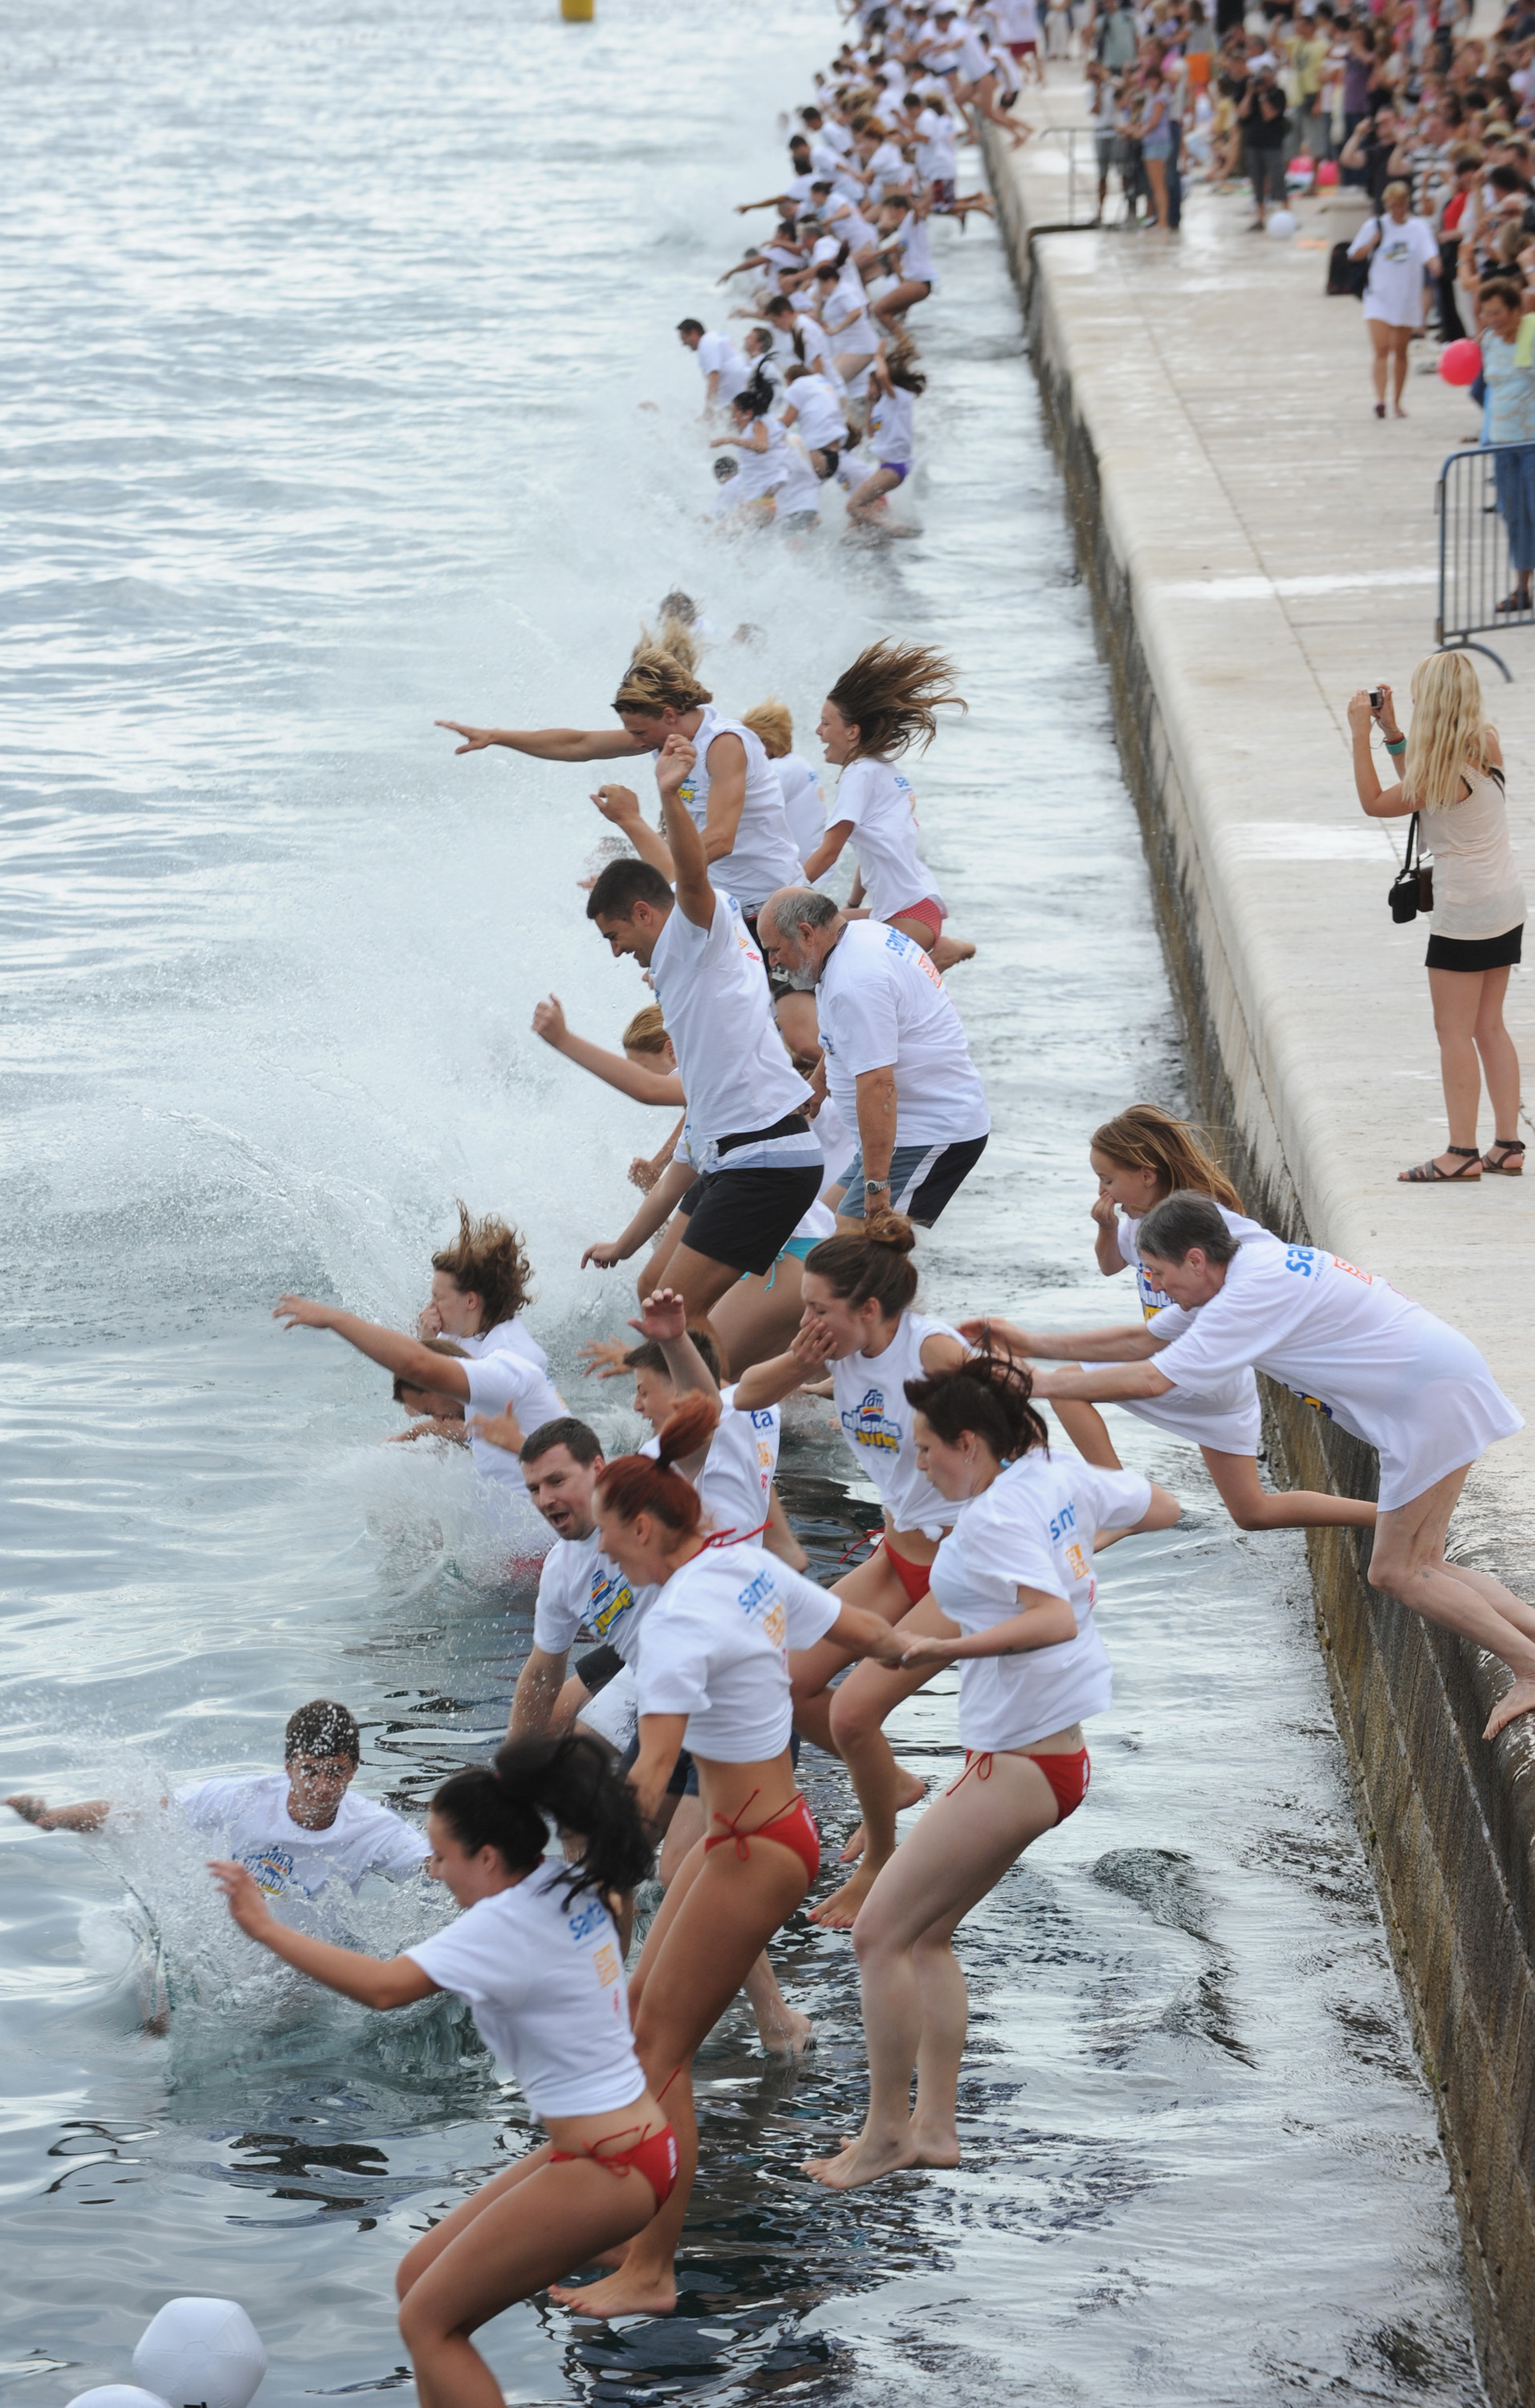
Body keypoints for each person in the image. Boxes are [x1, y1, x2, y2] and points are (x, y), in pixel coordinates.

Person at [549, 1395, 908, 2316]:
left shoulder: (671, 1624)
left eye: (608, 1540)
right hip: (754, 1832)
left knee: (658, 2052)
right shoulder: (740, 1563)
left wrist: (586, 1879)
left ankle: (652, 2269)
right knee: (638, 2019)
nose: (604, 1558)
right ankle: (637, 2225)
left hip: (753, 1848)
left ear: (642, 1525)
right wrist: (931, 1646)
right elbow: (861, 1631)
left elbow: (656, 1767)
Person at [803, 1354, 1180, 2190]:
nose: (921, 1463)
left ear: (969, 1443)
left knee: (877, 1935)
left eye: (928, 1447)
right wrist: (1076, 1549)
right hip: (1045, 1759)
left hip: (1019, 1766)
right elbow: (1162, 1503)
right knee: (924, 1936)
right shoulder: (1051, 1480)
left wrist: (945, 1645)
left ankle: (883, 2134)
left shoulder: (995, 1519)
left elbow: (1046, 1620)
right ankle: (932, 2128)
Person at [967, 1191, 1535, 1743]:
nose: (1156, 1287)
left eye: (1159, 1273)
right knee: (1424, 1561)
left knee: (1397, 1571)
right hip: (1436, 1383)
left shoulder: (1248, 1295)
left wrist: (1032, 1383)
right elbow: (1143, 1338)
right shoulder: (1239, 1262)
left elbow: (1153, 1377)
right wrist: (1032, 1343)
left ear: (1196, 1258)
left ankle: (1528, 1667)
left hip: (1428, 1401)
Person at [213, 1734, 676, 2406]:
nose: (431, 1870)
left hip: (610, 2164)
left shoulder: (504, 1922)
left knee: (427, 2324)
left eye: (441, 1856)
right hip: (628, 2146)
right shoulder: (568, 1881)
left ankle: (613, 2243)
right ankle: (612, 2246)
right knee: (419, 2277)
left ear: (488, 1858)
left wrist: (264, 1926)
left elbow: (382, 1989)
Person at [732, 1214, 968, 1926]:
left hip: (964, 1567)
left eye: (817, 1308)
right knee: (781, 1679)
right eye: (803, 1305)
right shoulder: (837, 1353)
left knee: (854, 1711)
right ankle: (889, 1784)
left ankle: (877, 1866)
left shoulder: (933, 1353)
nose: (804, 1319)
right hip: (898, 1558)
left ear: (869, 1308)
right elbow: (745, 1395)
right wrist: (804, 1361)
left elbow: (1016, 1448)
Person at [577, 750, 825, 1354]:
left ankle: (716, 1434)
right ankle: (697, 1414)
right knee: (654, 1291)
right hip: (736, 1156)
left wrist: (666, 799)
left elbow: (688, 878)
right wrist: (635, 823)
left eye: (615, 937)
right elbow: (673, 880)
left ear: (642, 916)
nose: (615, 953)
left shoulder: (697, 937)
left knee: (681, 1316)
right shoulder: (703, 943)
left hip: (766, 1159)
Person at [1058, 1104, 1378, 1530]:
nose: (1104, 1191)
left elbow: (1266, 1252)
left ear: (1147, 1174)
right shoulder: (1136, 1223)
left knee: (1064, 1388)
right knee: (1252, 1512)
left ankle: (1124, 1505)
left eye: (1109, 1180)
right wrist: (1105, 1228)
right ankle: (1393, 1517)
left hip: (1190, 1368)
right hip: (1224, 1382)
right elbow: (1109, 1264)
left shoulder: (1201, 1219)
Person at [435, 631, 805, 934]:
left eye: (641, 732)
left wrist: (643, 878)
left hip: (771, 904)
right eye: (632, 733)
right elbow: (578, 744)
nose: (638, 742)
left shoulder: (724, 743)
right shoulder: (661, 737)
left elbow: (721, 839)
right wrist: (497, 736)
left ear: (669, 714)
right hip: (717, 903)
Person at [1350, 657, 1526, 1180]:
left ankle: (1461, 1153)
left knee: (1453, 1031)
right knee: (1489, 1025)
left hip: (1467, 913)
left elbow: (1377, 802)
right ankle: (1508, 1145)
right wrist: (1393, 733)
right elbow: (1421, 785)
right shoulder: (1484, 742)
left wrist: (1361, 736)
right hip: (1505, 903)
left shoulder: (1443, 770)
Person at [8, 1700, 427, 1896]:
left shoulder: (374, 1829)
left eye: (335, 1773)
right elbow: (137, 1812)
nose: (321, 1788)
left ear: (354, 1770)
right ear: (288, 1768)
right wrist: (53, 1818)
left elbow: (437, 1867)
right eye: (309, 1772)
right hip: (234, 1940)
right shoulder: (240, 1797)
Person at [761, 889, 991, 1230]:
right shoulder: (862, 935)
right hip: (905, 1131)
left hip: (927, 1132)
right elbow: (849, 1039)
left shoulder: (854, 981)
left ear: (807, 933)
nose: (773, 963)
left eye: (775, 950)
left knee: (847, 1251)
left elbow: (878, 1086)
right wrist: (819, 1085)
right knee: (816, 1230)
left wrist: (877, 1188)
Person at [271, 1292, 566, 1494]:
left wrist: (333, 1319)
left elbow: (419, 1369)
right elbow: (423, 1404)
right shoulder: (469, 1372)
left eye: (440, 1296)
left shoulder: (501, 1373)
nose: (438, 1418)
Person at [798, 637, 971, 968]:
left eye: (826, 722)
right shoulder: (883, 770)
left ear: (852, 732)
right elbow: (877, 847)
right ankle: (938, 948)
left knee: (815, 951)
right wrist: (852, 901)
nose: (818, 731)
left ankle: (940, 956)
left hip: (907, 912)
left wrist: (782, 895)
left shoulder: (858, 773)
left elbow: (829, 850)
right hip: (919, 906)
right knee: (825, 924)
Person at [416, 1203, 549, 1373]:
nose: (430, 1308)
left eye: (438, 1298)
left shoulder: (511, 1357)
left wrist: (427, 1349)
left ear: (471, 1301)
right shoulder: (456, 1327)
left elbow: (427, 1399)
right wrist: (428, 1342)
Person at [1347, 181, 1440, 417]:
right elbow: (1354, 254)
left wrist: (1435, 265)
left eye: (1401, 205)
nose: (1397, 209)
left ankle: (1397, 401)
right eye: (1393, 205)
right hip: (1379, 296)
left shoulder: (1419, 228)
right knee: (1381, 348)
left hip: (1406, 297)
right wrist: (1372, 243)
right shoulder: (1375, 225)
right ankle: (1380, 399)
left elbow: (1429, 253)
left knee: (1400, 351)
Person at [1473, 277, 1535, 613]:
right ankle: (1522, 589)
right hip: (1503, 444)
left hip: (1533, 443)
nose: (1492, 320)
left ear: (1516, 310)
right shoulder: (1489, 343)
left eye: (1498, 313)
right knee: (1515, 517)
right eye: (1486, 314)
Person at [846, 340, 924, 531]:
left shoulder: (898, 397)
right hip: (886, 468)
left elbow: (882, 374)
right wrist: (871, 404)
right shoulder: (883, 406)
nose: (867, 390)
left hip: (893, 468)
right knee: (859, 516)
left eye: (870, 386)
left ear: (881, 385)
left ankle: (893, 529)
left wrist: (878, 357)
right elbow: (871, 432)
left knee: (853, 506)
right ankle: (865, 536)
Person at [741, 701, 826, 864]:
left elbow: (741, 811)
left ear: (766, 742)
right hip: (812, 864)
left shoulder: (777, 769)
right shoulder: (798, 764)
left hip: (799, 872)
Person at [1238, 57, 1289, 230]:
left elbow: (1269, 115)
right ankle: (1260, 218)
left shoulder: (1278, 94)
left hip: (1272, 143)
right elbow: (1242, 114)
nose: (1264, 83)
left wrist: (1262, 96)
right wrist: (1249, 93)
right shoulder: (1252, 95)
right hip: (1254, 143)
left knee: (1278, 179)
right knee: (1257, 181)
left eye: (1267, 79)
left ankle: (1287, 214)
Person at [675, 319, 747, 411]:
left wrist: (708, 411)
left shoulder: (706, 344)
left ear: (693, 332)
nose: (684, 343)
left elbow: (713, 378)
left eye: (684, 338)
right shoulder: (714, 336)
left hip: (734, 398)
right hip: (742, 388)